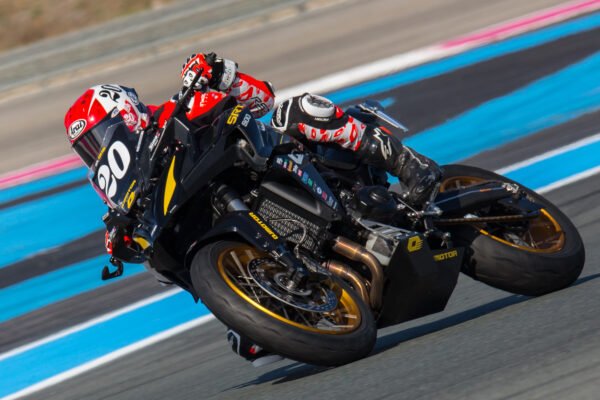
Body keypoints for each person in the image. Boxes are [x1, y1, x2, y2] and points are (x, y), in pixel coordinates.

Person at [64, 52, 440, 366]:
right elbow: (166, 270)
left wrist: (221, 75)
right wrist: (122, 242)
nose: (96, 150)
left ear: (126, 111)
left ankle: (408, 163)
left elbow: (262, 101)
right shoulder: (127, 197)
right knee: (247, 344)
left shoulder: (178, 109)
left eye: (99, 134)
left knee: (296, 110)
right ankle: (274, 293)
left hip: (286, 167)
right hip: (225, 223)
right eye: (87, 147)